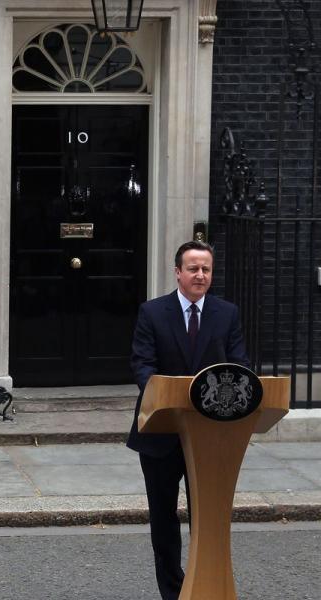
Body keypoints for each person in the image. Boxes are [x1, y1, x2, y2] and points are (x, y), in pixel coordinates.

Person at [126, 240, 250, 600]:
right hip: (160, 432)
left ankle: (205, 583)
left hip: (211, 434)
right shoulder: (152, 312)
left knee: (206, 516)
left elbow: (239, 365)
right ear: (177, 272)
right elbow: (142, 365)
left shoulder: (227, 314)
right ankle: (173, 591)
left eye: (206, 269)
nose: (200, 275)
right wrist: (165, 393)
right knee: (163, 519)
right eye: (193, 268)